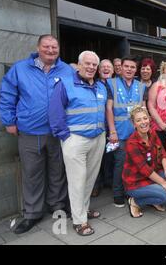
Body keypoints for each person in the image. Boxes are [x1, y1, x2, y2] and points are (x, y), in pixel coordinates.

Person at [0, 34, 73, 234]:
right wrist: (9, 121)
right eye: (47, 47)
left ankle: (57, 205)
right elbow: (7, 95)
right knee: (32, 174)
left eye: (54, 47)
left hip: (58, 131)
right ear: (38, 48)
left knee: (58, 171)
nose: (51, 50)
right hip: (30, 130)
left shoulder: (67, 70)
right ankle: (32, 213)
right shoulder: (20, 69)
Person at [49, 51, 107, 236]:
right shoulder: (65, 84)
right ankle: (79, 221)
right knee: (77, 181)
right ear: (79, 65)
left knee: (89, 178)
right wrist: (65, 136)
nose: (91, 67)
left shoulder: (100, 87)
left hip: (97, 138)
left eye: (94, 65)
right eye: (87, 64)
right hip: (75, 140)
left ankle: (82, 209)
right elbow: (55, 112)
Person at [123, 106, 166, 218]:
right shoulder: (131, 143)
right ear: (134, 124)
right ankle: (135, 201)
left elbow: (162, 152)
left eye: (145, 118)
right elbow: (145, 170)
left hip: (152, 176)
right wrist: (164, 183)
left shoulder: (152, 133)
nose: (143, 122)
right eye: (138, 120)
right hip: (136, 182)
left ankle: (153, 195)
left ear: (149, 119)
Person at [106, 55, 146, 208]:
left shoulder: (141, 86)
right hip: (119, 132)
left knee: (135, 163)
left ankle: (131, 192)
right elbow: (108, 108)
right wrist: (112, 131)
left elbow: (143, 109)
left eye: (132, 67)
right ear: (120, 68)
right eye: (126, 66)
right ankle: (118, 194)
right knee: (120, 163)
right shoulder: (112, 84)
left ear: (136, 70)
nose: (129, 69)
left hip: (136, 132)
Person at [91, 59, 115, 197]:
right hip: (99, 127)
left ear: (113, 71)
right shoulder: (94, 85)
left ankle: (109, 181)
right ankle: (96, 185)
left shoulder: (116, 85)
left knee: (110, 157)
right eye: (103, 67)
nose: (106, 69)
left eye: (109, 67)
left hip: (113, 127)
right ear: (99, 71)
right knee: (96, 158)